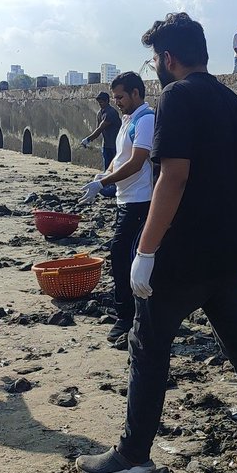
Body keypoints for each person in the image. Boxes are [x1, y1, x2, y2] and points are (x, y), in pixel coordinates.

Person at [76, 12, 237, 473]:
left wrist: (145, 249)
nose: (155, 65)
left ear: (168, 58)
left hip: (182, 254)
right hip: (227, 249)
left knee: (148, 344)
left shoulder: (177, 97)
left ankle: (133, 453)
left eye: (155, 58)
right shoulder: (233, 103)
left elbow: (173, 178)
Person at [79, 73, 155, 343]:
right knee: (127, 254)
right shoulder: (128, 121)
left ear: (136, 93)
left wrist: (104, 184)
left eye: (121, 97)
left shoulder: (146, 120)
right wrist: (102, 177)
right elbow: (119, 159)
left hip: (140, 200)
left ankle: (127, 316)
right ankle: (136, 312)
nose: (117, 102)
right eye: (115, 98)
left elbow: (136, 162)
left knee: (121, 254)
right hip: (125, 199)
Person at [81, 91, 121, 171]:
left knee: (116, 166)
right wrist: (90, 139)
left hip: (116, 144)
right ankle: (108, 182)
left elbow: (100, 128)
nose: (100, 105)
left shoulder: (111, 112)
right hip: (106, 144)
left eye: (102, 103)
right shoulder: (100, 113)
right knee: (107, 167)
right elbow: (97, 129)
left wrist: (87, 140)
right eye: (99, 103)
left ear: (107, 101)